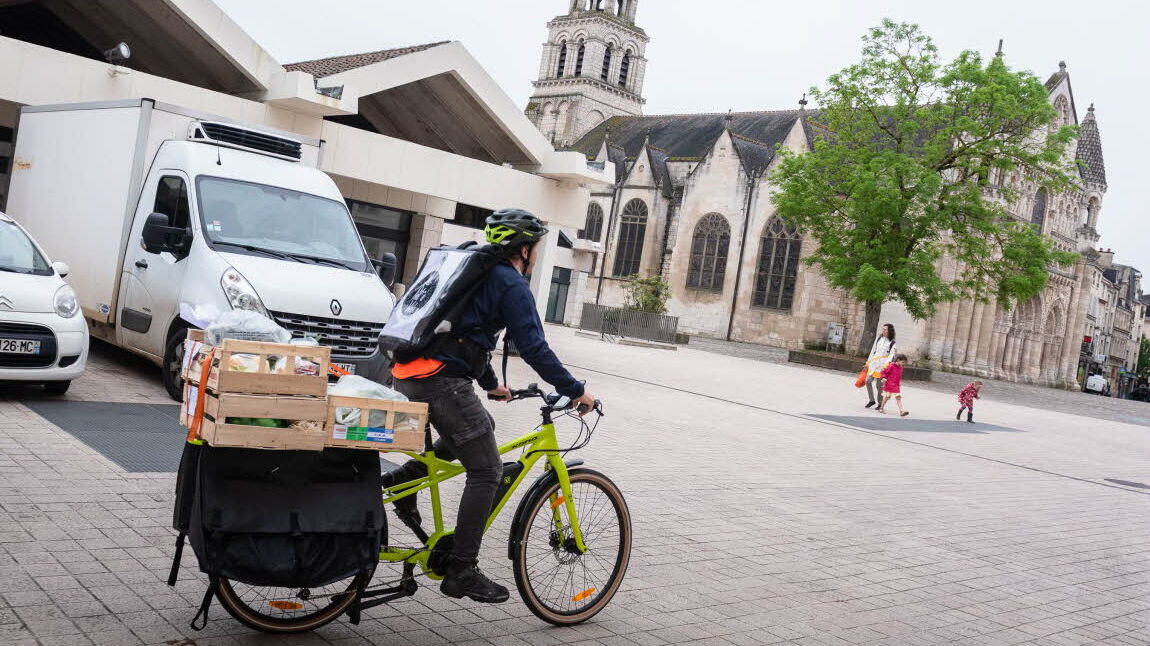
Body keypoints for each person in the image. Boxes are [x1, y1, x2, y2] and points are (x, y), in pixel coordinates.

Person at [381, 208, 597, 604]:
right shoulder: (510, 283)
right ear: (526, 249)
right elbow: (533, 347)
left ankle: (403, 481)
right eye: (536, 248)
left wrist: (492, 384)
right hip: (439, 382)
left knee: (481, 433)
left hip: (406, 372)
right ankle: (462, 570)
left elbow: (461, 332)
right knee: (487, 470)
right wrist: (576, 389)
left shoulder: (474, 272)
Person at [864, 323, 897, 408]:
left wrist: (885, 366)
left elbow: (891, 356)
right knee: (867, 381)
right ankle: (871, 400)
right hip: (873, 364)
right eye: (883, 329)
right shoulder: (879, 339)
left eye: (885, 329)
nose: (883, 330)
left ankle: (880, 403)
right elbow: (873, 351)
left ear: (889, 331)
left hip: (882, 366)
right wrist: (868, 363)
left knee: (879, 386)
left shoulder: (892, 343)